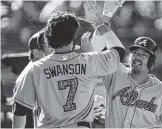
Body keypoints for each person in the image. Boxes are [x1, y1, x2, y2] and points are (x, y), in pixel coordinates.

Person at [12, 0, 125, 128]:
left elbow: (19, 111)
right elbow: (118, 51)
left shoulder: (34, 69)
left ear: (48, 40)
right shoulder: (85, 61)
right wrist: (100, 20)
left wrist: (105, 16)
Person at [81, 1, 162, 128]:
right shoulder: (116, 73)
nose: (138, 57)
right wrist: (105, 16)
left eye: (144, 55)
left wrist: (101, 21)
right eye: (135, 52)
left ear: (152, 62)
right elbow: (95, 54)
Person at [12, 28, 54, 128]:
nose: (54, 51)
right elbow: (19, 115)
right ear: (36, 53)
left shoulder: (40, 70)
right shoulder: (29, 75)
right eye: (50, 48)